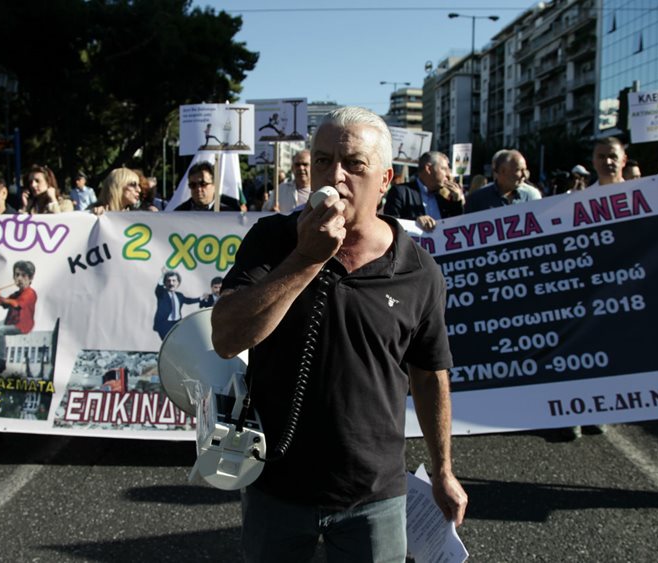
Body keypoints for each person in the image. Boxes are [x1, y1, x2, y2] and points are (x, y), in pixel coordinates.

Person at [210, 106, 466, 561]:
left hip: (375, 495)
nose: (335, 176)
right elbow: (227, 338)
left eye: (354, 165)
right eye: (324, 161)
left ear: (386, 180)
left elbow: (429, 376)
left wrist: (443, 470)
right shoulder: (273, 240)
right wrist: (306, 259)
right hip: (275, 487)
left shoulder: (419, 272)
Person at [0, 261, 38, 374]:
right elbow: (3, 304)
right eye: (17, 274)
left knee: (0, 330)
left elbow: (15, 304)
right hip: (10, 321)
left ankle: (1, 362)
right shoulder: (16, 293)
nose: (19, 278)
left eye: (23, 275)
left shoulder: (30, 293)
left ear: (30, 277)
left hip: (22, 325)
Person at [384, 151, 465, 231]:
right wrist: (415, 222)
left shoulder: (442, 198)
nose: (448, 175)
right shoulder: (400, 192)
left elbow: (456, 227)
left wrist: (457, 202)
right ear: (428, 168)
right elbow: (390, 224)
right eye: (444, 169)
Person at [465, 149, 541, 213]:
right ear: (502, 171)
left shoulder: (532, 196)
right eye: (519, 170)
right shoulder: (477, 199)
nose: (524, 175)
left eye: (525, 170)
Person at [152, 270, 201, 340]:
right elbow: (158, 289)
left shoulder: (179, 295)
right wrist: (163, 276)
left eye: (174, 280)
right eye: (168, 281)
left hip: (177, 323)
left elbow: (188, 300)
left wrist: (200, 298)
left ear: (178, 283)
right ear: (165, 283)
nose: (171, 283)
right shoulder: (162, 294)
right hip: (165, 324)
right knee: (168, 342)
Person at [174, 161, 241, 211]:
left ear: (214, 185)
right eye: (193, 185)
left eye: (203, 184)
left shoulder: (230, 213)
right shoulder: (179, 213)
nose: (198, 189)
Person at [91, 168, 156, 214]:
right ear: (118, 186)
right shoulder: (91, 213)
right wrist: (94, 215)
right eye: (133, 184)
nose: (139, 190)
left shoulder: (139, 215)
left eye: (139, 185)